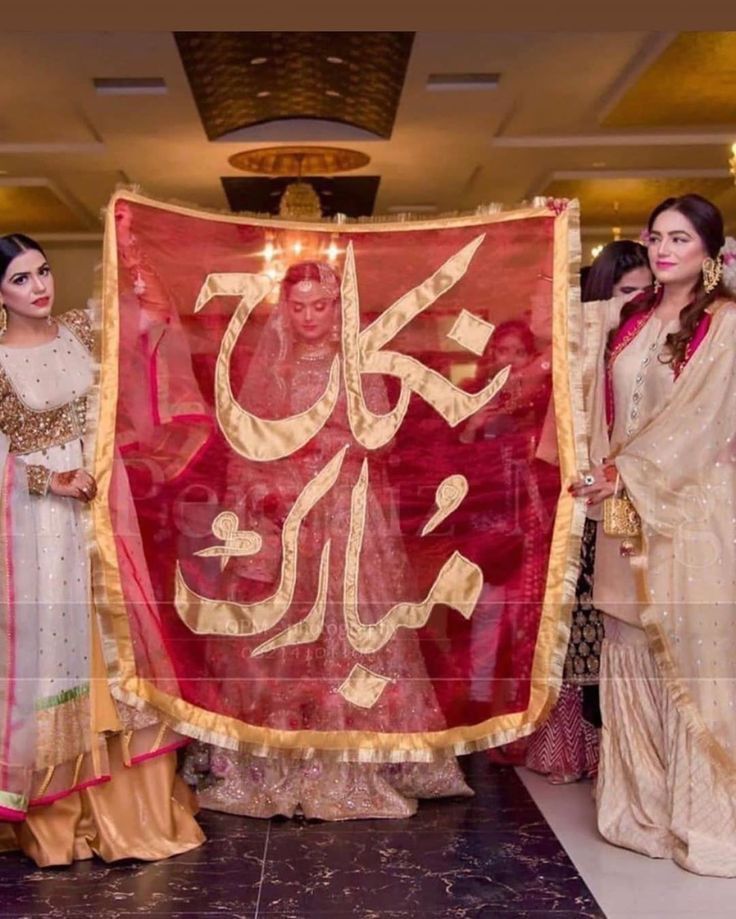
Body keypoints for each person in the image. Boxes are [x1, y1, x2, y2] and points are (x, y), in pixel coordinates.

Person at [181, 260, 473, 820]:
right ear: (283, 309)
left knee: (349, 629)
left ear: (337, 307)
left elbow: (379, 435)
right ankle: (272, 761)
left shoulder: (359, 360)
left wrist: (329, 465)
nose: (311, 316)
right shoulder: (272, 366)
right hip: (283, 514)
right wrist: (269, 493)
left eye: (321, 305)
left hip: (345, 511)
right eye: (299, 305)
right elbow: (246, 439)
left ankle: (355, 761)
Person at [0, 233, 204, 866]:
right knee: (55, 651)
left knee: (119, 636)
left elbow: (152, 326)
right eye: (21, 280)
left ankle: (132, 810)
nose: (40, 287)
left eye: (43, 271)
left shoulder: (83, 333)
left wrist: (140, 260)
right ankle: (61, 818)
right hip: (33, 523)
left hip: (101, 511)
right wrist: (46, 478)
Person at [571, 194, 736, 876]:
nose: (664, 249)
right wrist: (550, 233)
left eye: (680, 239)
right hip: (621, 510)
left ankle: (704, 814)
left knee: (692, 656)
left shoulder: (725, 324)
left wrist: (624, 472)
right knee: (628, 646)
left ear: (709, 253)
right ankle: (643, 805)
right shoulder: (628, 319)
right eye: (657, 237)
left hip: (690, 512)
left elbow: (704, 422)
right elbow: (562, 338)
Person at [526, 239, 652, 783]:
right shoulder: (585, 346)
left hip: (632, 498)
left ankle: (627, 752)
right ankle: (573, 748)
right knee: (575, 620)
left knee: (626, 613)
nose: (639, 302)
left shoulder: (658, 343)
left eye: (647, 292)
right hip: (579, 499)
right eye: (627, 292)